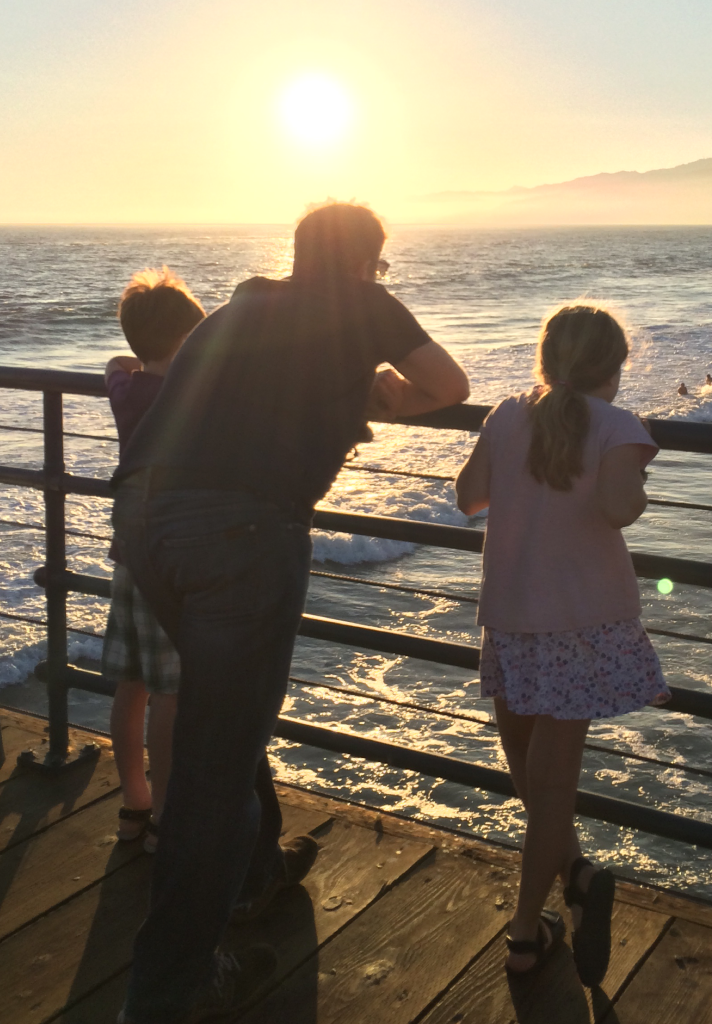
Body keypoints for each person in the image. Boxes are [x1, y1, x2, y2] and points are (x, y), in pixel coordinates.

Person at [112, 201, 470, 1024]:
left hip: (144, 523)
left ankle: (252, 877)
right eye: (378, 269)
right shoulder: (361, 305)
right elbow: (449, 385)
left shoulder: (239, 309)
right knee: (211, 767)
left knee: (219, 730)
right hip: (238, 535)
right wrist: (380, 399)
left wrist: (346, 395)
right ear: (362, 264)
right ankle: (168, 993)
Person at [455, 304, 668, 987]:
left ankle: (575, 879)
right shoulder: (617, 427)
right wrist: (634, 478)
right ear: (614, 366)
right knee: (551, 785)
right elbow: (618, 510)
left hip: (512, 617)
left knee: (528, 773)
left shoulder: (507, 414)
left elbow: (468, 499)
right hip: (582, 622)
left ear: (545, 358)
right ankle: (525, 932)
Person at [102, 269, 205, 853]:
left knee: (133, 685)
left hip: (130, 551)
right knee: (172, 691)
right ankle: (167, 818)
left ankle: (133, 805)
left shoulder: (130, 389)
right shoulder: (200, 393)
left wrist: (137, 350)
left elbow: (116, 363)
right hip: (175, 554)